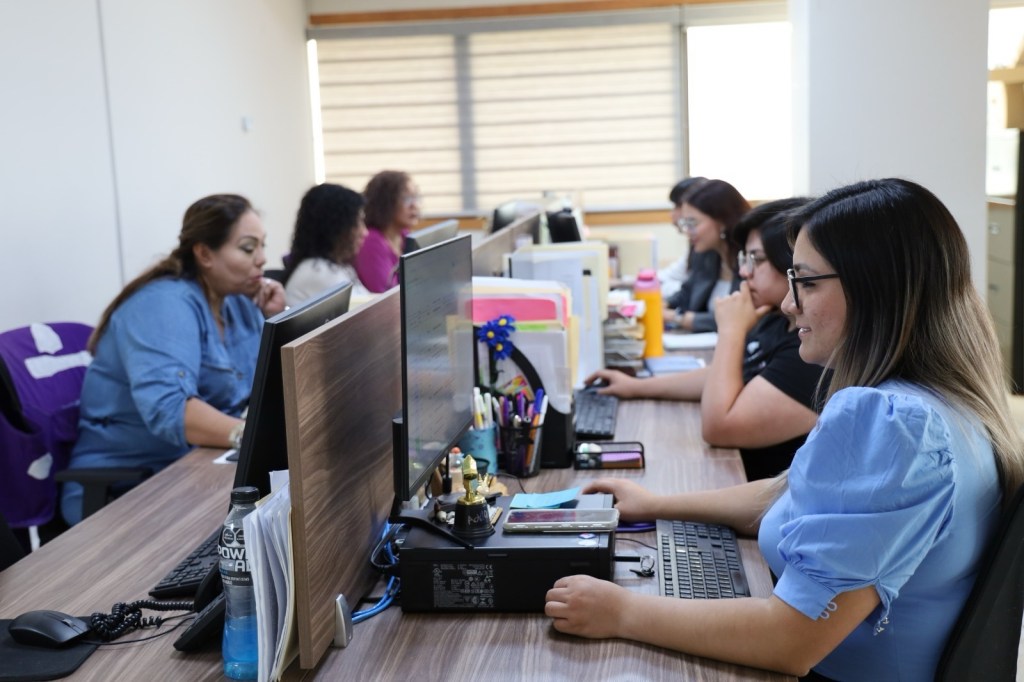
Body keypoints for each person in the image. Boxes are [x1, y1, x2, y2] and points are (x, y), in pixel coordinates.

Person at [547, 178, 1024, 680]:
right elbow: (789, 494)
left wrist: (622, 610)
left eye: (808, 283)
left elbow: (789, 640)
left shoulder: (892, 423)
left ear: (875, 288)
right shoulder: (934, 401)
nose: (787, 304)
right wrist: (655, 504)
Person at [61, 194, 286, 525]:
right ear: (204, 253)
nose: (262, 259)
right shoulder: (163, 305)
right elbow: (172, 410)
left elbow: (267, 383)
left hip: (195, 466)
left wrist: (276, 318)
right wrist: (252, 437)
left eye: (262, 246)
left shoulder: (238, 301)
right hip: (128, 485)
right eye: (248, 248)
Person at [588, 198, 823, 480]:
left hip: (757, 494)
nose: (744, 272)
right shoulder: (777, 321)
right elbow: (730, 375)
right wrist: (636, 387)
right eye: (745, 259)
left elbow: (718, 428)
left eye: (757, 260)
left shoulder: (812, 353)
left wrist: (731, 331)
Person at [664, 179, 750, 332]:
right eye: (685, 224)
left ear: (722, 220)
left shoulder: (751, 262)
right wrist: (661, 306)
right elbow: (686, 293)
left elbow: (742, 317)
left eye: (693, 223)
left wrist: (680, 318)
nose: (687, 231)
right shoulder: (707, 255)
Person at [282, 183, 369, 307]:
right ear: (336, 226)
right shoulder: (317, 271)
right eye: (357, 222)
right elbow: (366, 310)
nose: (364, 232)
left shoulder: (336, 267)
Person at [354, 170, 420, 292]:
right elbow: (384, 294)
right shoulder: (371, 242)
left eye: (415, 197)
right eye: (406, 199)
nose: (414, 205)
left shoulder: (404, 235)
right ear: (385, 203)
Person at [657, 176, 708, 300]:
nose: (671, 214)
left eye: (676, 206)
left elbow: (693, 291)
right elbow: (669, 277)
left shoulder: (707, 246)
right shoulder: (696, 246)